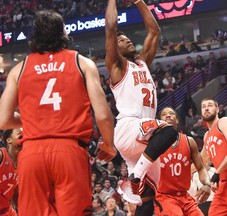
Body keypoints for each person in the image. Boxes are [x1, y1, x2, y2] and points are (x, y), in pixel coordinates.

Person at [0, 10, 117, 216]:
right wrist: (108, 144)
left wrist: (30, 121)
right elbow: (103, 115)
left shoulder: (18, 69)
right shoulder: (82, 63)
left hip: (32, 154)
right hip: (69, 151)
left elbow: (2, 120)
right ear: (64, 32)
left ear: (34, 36)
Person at [105, 0, 178, 213]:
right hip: (130, 127)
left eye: (128, 39)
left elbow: (154, 31)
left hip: (143, 142)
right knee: (169, 130)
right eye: (121, 40)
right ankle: (135, 176)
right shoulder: (117, 65)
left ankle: (135, 178)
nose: (127, 41)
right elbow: (111, 29)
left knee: (147, 199)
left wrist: (139, 2)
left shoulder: (143, 62)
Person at [154, 107, 211, 216]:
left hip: (184, 196)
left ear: (177, 120)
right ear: (159, 121)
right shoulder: (153, 143)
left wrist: (207, 184)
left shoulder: (189, 141)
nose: (168, 116)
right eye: (164, 114)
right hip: (164, 196)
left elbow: (201, 168)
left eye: (171, 113)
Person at [0, 128, 22, 216]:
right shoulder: (2, 154)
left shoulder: (22, 163)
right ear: (9, 140)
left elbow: (15, 195)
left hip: (6, 209)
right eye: (19, 134)